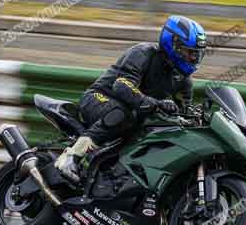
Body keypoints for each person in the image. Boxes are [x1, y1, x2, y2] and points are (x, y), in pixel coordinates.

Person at [55, 15, 207, 183]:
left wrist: (197, 117)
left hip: (135, 115)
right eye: (189, 52)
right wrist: (155, 103)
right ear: (172, 43)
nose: (193, 58)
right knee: (124, 115)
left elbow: (183, 112)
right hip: (99, 98)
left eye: (196, 54)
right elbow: (122, 85)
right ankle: (71, 157)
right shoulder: (143, 53)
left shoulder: (184, 80)